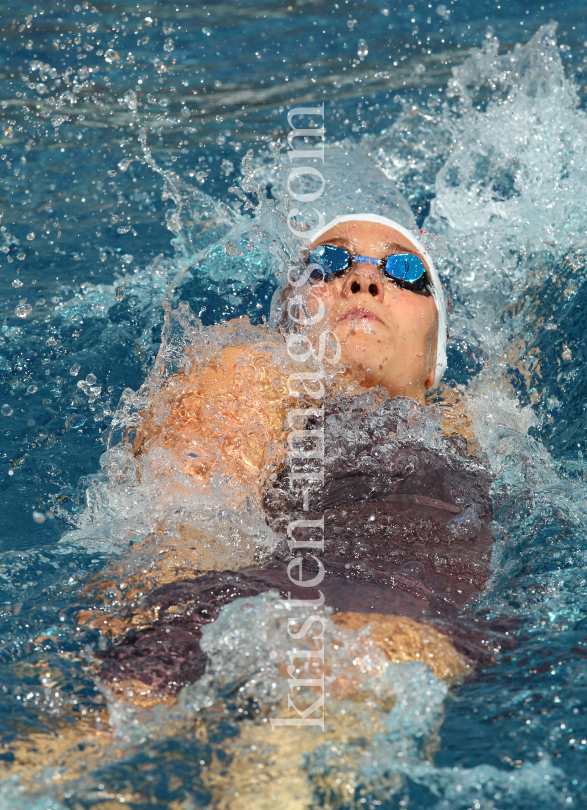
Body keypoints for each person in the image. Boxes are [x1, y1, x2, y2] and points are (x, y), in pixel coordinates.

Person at [85, 151, 496, 699]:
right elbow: (180, 536)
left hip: (425, 631)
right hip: (299, 617)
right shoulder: (255, 374)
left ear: (432, 361)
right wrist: (174, 631)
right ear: (290, 316)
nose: (364, 280)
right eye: (328, 263)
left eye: (405, 271)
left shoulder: (477, 421)